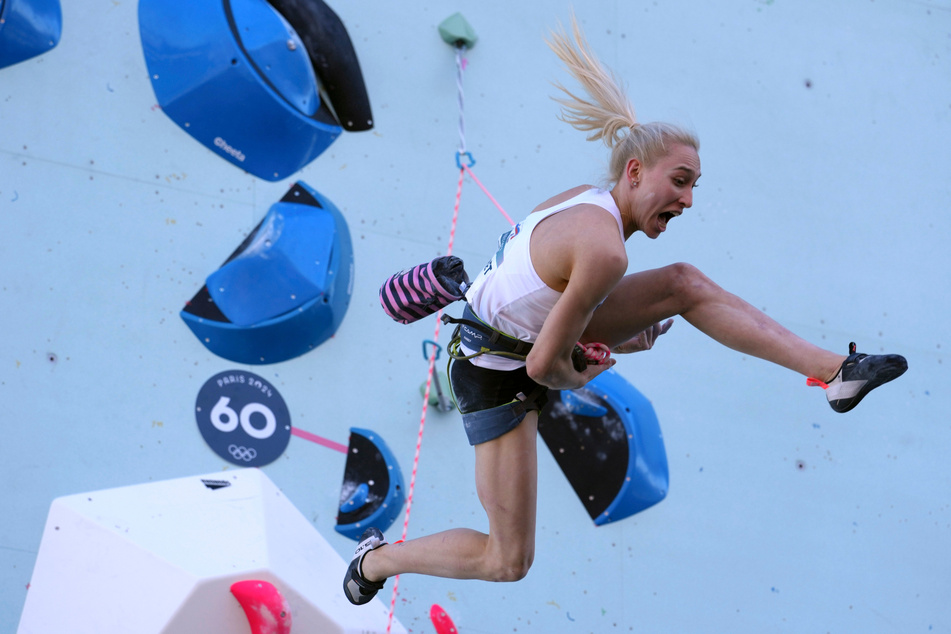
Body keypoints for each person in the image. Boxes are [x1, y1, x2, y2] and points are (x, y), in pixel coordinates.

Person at [343, 16, 907, 604]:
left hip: (513, 338)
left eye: (695, 186)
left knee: (684, 283)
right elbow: (543, 366)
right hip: (494, 370)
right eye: (680, 182)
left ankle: (836, 372)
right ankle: (376, 562)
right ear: (634, 173)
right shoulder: (605, 249)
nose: (689, 200)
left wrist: (597, 339)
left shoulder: (585, 204)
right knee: (506, 560)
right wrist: (584, 368)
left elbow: (545, 302)